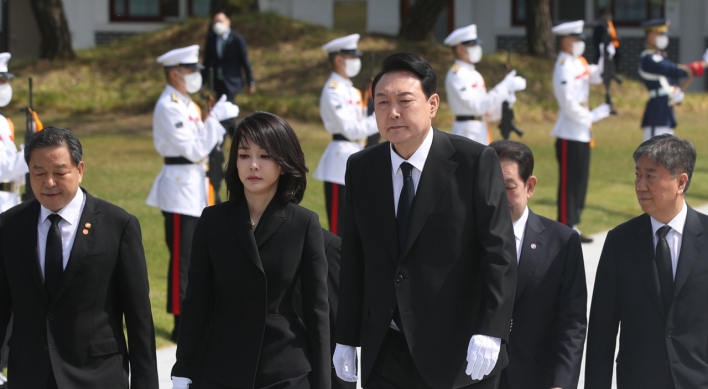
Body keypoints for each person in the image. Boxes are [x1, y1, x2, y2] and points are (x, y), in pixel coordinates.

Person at [333, 52, 517, 389]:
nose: (393, 112)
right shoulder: (362, 167)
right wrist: (346, 336)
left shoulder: (475, 161)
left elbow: (500, 254)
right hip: (385, 351)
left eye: (405, 101)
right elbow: (355, 257)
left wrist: (491, 330)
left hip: (460, 352)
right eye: (382, 103)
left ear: (432, 104)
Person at [171, 112, 330, 389]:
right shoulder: (212, 221)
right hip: (221, 367)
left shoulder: (304, 224)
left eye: (265, 156)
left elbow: (317, 311)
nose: (253, 165)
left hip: (285, 370)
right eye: (244, 155)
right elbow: (196, 302)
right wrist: (182, 370)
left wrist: (324, 383)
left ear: (283, 163)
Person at [0, 127, 158, 388]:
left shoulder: (117, 225)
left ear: (80, 170)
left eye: (60, 173)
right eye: (39, 173)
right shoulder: (10, 226)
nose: (49, 183)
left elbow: (139, 318)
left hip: (96, 375)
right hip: (30, 375)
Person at [586, 134, 708, 389]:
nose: (640, 185)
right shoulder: (620, 241)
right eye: (637, 175)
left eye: (650, 176)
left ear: (681, 182)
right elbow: (602, 331)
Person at [146, 45, 239, 342]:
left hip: (198, 185)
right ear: (175, 73)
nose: (196, 76)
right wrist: (216, 120)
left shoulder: (186, 104)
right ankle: (180, 321)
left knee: (203, 255)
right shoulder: (168, 105)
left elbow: (205, 144)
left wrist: (216, 122)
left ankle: (201, 312)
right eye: (191, 71)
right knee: (182, 260)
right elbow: (195, 148)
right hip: (178, 188)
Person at [490, 140, 587, 389]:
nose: (499, 198)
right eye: (491, 186)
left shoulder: (562, 243)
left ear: (529, 186)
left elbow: (572, 323)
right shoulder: (462, 237)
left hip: (535, 378)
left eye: (509, 187)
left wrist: (561, 383)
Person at [551, 20, 611, 243]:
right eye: (576, 39)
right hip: (569, 131)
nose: (580, 43)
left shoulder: (579, 62)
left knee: (580, 181)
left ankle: (573, 224)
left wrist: (607, 54)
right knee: (569, 183)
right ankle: (565, 226)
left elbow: (597, 75)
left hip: (582, 131)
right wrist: (590, 116)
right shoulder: (563, 65)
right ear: (566, 41)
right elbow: (567, 102)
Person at [313, 33, 379, 236]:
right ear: (338, 59)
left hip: (357, 153)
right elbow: (350, 129)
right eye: (352, 57)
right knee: (339, 228)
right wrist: (380, 118)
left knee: (357, 225)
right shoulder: (333, 90)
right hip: (339, 162)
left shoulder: (349, 89)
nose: (356, 61)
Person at [444, 24, 526, 145]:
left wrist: (508, 94)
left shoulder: (474, 74)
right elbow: (477, 106)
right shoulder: (456, 74)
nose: (477, 48)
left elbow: (489, 112)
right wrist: (504, 86)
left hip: (482, 129)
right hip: (466, 133)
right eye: (472, 45)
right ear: (460, 48)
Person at [638, 19, 708, 141]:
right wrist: (701, 65)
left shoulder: (660, 56)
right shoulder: (649, 58)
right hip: (657, 111)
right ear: (651, 35)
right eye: (661, 34)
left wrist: (674, 91)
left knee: (665, 155)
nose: (664, 37)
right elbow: (676, 71)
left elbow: (669, 80)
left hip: (665, 109)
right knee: (654, 155)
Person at [202, 11, 255, 103]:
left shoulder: (237, 39)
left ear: (228, 21)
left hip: (232, 81)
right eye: (215, 22)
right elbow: (206, 62)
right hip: (217, 82)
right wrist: (202, 83)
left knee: (229, 109)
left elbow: (245, 61)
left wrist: (250, 82)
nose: (217, 24)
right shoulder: (211, 39)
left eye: (220, 21)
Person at [0, 52, 28, 213]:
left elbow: (15, 174)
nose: (4, 86)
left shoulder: (3, 121)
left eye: (5, 81)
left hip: (9, 200)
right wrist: (33, 151)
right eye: (0, 81)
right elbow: (4, 168)